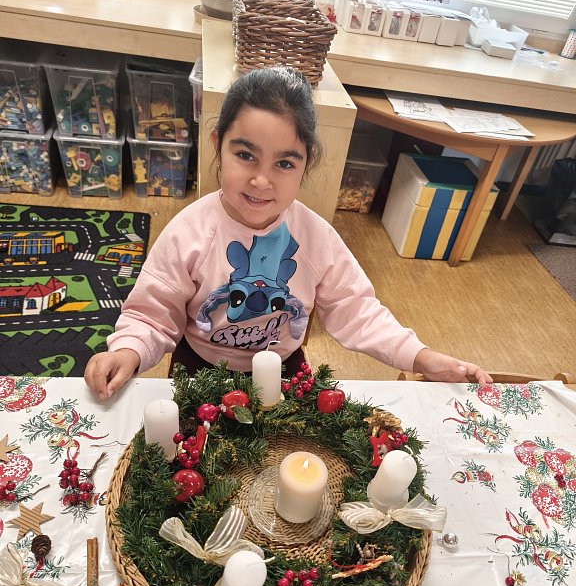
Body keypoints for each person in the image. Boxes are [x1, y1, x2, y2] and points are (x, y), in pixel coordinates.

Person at [84, 66, 492, 400]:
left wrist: (419, 356)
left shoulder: (316, 237)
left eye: (284, 163)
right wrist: (128, 350)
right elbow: (152, 315)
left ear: (306, 164)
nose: (261, 181)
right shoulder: (188, 233)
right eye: (245, 155)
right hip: (199, 368)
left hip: (284, 371)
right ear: (217, 145)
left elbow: (356, 310)